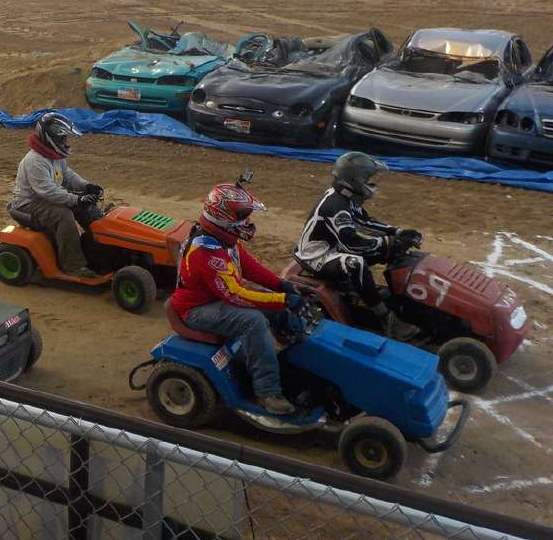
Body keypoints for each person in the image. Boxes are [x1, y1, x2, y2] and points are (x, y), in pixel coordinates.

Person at [171, 181, 303, 415]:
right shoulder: (207, 251)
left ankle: (295, 359)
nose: (248, 220)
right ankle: (267, 392)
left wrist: (280, 285)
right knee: (252, 320)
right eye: (242, 215)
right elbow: (236, 295)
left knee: (274, 304)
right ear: (223, 216)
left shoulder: (223, 238)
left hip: (214, 299)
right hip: (197, 309)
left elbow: (248, 266)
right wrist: (283, 298)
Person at [294, 152, 421, 340]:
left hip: (334, 247)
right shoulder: (335, 205)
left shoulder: (346, 199)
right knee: (356, 263)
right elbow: (351, 243)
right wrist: (386, 243)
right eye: (368, 179)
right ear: (354, 179)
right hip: (317, 256)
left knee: (384, 250)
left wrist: (397, 232)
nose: (371, 183)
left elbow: (365, 221)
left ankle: (397, 302)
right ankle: (386, 319)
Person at [10, 112, 103, 278]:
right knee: (64, 215)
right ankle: (73, 265)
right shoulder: (35, 161)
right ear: (49, 137)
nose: (65, 142)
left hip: (45, 198)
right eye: (62, 139)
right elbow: (48, 191)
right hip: (28, 203)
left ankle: (98, 251)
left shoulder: (54, 156)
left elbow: (66, 175)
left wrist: (86, 186)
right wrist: (76, 199)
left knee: (87, 208)